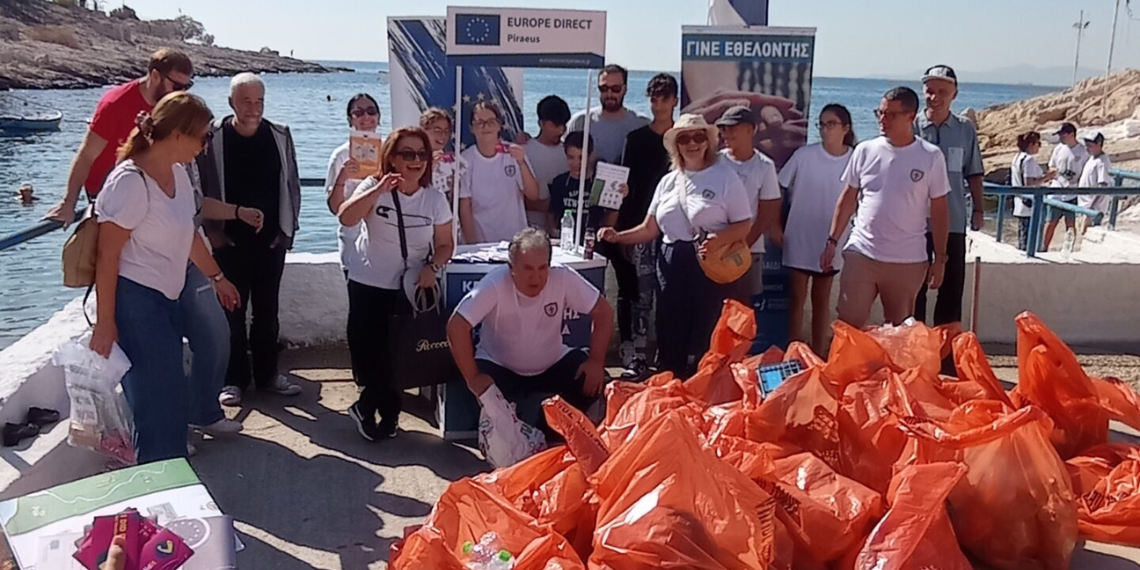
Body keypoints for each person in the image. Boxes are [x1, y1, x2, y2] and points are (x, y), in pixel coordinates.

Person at [88, 92, 216, 463]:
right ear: (177, 134)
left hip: (166, 300)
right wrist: (106, 322)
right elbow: (107, 256)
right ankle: (156, 487)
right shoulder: (129, 182)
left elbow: (187, 234)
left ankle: (170, 480)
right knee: (156, 401)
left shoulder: (176, 173)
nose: (205, 147)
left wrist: (217, 276)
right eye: (202, 137)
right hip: (136, 304)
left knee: (172, 395)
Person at [599, 114, 753, 377]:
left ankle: (705, 392)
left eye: (698, 136)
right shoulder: (668, 181)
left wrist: (720, 239)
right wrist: (618, 236)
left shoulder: (725, 177)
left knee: (707, 333)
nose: (692, 143)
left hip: (709, 263)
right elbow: (650, 228)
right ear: (676, 145)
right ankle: (673, 394)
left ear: (708, 141)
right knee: (669, 330)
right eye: (685, 138)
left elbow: (744, 223)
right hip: (670, 263)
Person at [338, 127, 454, 441]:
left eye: (421, 154)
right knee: (372, 355)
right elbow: (346, 217)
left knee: (398, 355)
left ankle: (375, 410)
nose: (415, 161)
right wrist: (378, 190)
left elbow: (446, 243)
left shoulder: (434, 199)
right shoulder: (374, 185)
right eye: (407, 154)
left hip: (409, 288)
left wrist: (433, 266)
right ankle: (383, 412)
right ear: (392, 157)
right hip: (369, 283)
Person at [196, 72, 303, 406]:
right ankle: (234, 380)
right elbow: (198, 190)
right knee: (231, 313)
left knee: (267, 312)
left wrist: (285, 233)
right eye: (246, 101)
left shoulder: (279, 135)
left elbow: (292, 186)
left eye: (259, 101)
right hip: (228, 243)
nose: (253, 108)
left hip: (270, 244)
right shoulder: (212, 138)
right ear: (231, 103)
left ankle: (268, 375)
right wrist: (215, 236)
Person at [447, 228, 613, 429]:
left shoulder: (562, 277)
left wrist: (596, 360)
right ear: (511, 268)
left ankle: (545, 422)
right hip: (500, 367)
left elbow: (603, 312)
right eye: (528, 268)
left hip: (551, 365)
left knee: (596, 379)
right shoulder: (494, 283)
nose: (536, 276)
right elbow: (456, 326)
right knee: (474, 391)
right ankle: (534, 419)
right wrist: (473, 378)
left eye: (542, 268)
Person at [821, 87, 951, 329]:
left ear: (910, 117)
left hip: (907, 259)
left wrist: (940, 258)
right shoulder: (865, 150)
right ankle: (848, 367)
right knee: (849, 324)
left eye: (891, 114)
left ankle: (889, 369)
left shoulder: (930, 156)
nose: (883, 120)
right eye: (880, 113)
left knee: (899, 331)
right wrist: (832, 241)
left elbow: (940, 210)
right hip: (862, 251)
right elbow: (849, 197)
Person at [47, 48, 194, 224]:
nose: (181, 93)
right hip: (108, 190)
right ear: (155, 76)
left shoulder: (171, 104)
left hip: (149, 183)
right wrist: (69, 202)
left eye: (187, 87)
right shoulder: (115, 104)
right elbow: (87, 155)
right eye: (177, 87)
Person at [612, 73, 677, 379]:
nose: (659, 104)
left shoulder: (685, 139)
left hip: (674, 235)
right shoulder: (635, 140)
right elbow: (622, 189)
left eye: (664, 98)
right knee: (636, 295)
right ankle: (634, 354)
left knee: (669, 296)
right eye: (653, 98)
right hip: (639, 228)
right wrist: (624, 233)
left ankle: (668, 352)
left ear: (675, 101)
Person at [779, 103, 855, 355]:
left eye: (831, 124)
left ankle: (819, 351)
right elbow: (779, 187)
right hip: (800, 235)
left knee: (822, 300)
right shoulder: (804, 155)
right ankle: (792, 353)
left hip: (832, 239)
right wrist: (776, 226)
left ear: (845, 128)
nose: (824, 130)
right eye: (821, 124)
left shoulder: (855, 158)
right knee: (796, 299)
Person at [913, 65, 985, 329]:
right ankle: (915, 356)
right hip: (914, 224)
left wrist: (979, 209)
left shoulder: (965, 129)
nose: (935, 97)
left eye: (942, 91)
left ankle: (947, 361)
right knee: (913, 293)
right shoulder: (911, 126)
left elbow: (974, 171)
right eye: (930, 90)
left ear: (954, 93)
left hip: (953, 222)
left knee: (951, 291)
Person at [715, 105, 782, 298]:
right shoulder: (715, 162)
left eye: (732, 128)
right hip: (714, 249)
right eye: (723, 128)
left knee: (741, 310)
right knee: (712, 307)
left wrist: (741, 246)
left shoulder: (764, 166)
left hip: (748, 251)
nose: (726, 133)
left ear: (750, 130)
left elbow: (769, 211)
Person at [458, 101, 539, 244]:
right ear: (472, 127)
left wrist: (521, 163)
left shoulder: (514, 153)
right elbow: (465, 206)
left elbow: (533, 195)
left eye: (491, 121)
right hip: (481, 242)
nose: (486, 127)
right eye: (480, 122)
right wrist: (473, 245)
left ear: (499, 125)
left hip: (515, 241)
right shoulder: (465, 159)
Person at [325, 93, 382, 275]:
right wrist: (342, 176)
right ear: (350, 120)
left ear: (378, 117)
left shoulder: (391, 149)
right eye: (358, 113)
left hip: (386, 247)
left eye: (371, 111)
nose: (366, 117)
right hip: (353, 244)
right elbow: (335, 208)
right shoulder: (340, 155)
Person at [567, 65, 649, 164]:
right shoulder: (580, 122)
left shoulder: (641, 124)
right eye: (604, 88)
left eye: (616, 88)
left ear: (625, 89)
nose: (609, 94)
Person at [546, 132, 618, 242]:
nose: (576, 163)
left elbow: (610, 219)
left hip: (593, 243)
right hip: (567, 241)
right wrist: (553, 231)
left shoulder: (599, 183)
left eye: (581, 158)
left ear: (591, 155)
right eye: (571, 157)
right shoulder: (560, 182)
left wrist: (618, 197)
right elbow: (552, 213)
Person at [525, 96, 571, 227]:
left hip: (562, 228)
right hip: (530, 226)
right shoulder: (525, 151)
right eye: (555, 125)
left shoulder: (569, 152)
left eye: (563, 125)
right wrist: (549, 205)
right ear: (541, 123)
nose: (561, 131)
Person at [1043, 122, 1090, 249]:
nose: (1061, 138)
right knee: (1051, 221)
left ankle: (1069, 248)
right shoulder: (1058, 148)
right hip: (1057, 190)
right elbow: (1051, 165)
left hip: (1072, 191)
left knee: (1070, 223)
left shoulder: (1083, 151)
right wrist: (1056, 173)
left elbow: (1086, 171)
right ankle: (1043, 247)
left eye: (1063, 135)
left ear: (1071, 134)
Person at [1010, 131, 1055, 251]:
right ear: (1031, 144)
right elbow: (1028, 183)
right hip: (1029, 206)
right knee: (1030, 241)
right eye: (1038, 143)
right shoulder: (1028, 160)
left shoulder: (1017, 157)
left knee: (1023, 238)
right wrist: (1047, 177)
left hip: (1020, 203)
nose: (1039, 146)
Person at [420, 107, 465, 202]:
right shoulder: (414, 159)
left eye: (446, 131)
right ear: (423, 130)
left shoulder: (453, 161)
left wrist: (454, 186)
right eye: (437, 131)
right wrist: (428, 168)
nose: (443, 136)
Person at [1078, 132, 1113, 232]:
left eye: (1090, 146)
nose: (1086, 148)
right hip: (1085, 206)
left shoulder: (1102, 162)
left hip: (1093, 208)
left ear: (1098, 144)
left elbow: (1103, 186)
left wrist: (1091, 210)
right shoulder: (1092, 158)